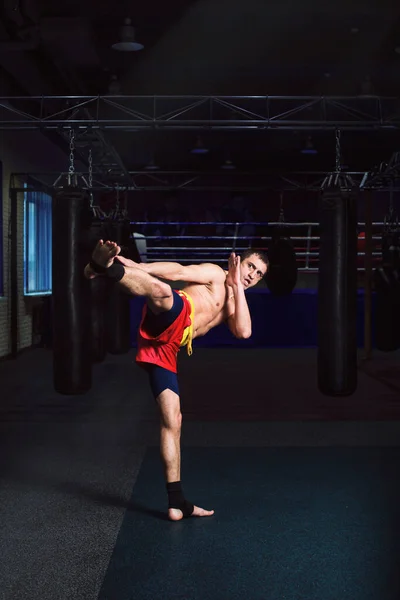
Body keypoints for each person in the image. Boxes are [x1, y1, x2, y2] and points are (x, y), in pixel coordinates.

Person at [84, 241, 269, 521]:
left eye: (259, 275)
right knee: (160, 290)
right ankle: (105, 267)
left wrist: (237, 288)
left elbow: (243, 332)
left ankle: (176, 502)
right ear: (239, 261)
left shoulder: (236, 300)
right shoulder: (215, 274)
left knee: (173, 420)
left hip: (168, 347)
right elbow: (177, 271)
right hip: (177, 311)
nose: (253, 275)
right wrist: (139, 266)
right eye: (251, 266)